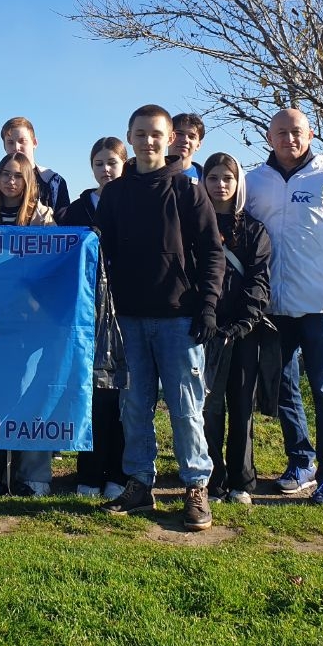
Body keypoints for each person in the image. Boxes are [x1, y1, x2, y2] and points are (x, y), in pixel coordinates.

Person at [95, 104, 224, 531]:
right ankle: (139, 483)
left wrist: (208, 306)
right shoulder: (114, 195)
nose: (148, 141)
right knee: (134, 407)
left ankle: (195, 486)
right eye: (140, 133)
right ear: (129, 137)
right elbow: (101, 256)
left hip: (179, 320)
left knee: (187, 409)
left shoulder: (187, 190)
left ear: (170, 139)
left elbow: (212, 253)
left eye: (156, 134)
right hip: (128, 321)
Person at [245, 108, 323, 507]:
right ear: (269, 136)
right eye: (281, 132)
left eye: (296, 132)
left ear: (310, 135)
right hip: (272, 307)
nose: (289, 139)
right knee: (282, 387)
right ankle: (301, 461)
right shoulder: (254, 182)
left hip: (321, 305)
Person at [0, 150, 57, 496]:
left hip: (31, 322)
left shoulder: (43, 218)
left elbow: (52, 265)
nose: (10, 181)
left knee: (29, 392)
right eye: (5, 174)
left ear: (29, 181)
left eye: (18, 175)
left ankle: (34, 474)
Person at [56, 136, 129, 501]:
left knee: (122, 396)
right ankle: (88, 470)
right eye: (99, 163)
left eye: (112, 163)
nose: (106, 170)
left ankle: (118, 471)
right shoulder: (76, 210)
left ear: (124, 163)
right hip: (87, 314)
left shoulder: (136, 202)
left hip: (127, 310)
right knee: (90, 394)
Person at [201, 152, 271, 505]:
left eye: (227, 178)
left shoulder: (255, 230)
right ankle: (212, 479)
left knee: (241, 405)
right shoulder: (193, 225)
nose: (220, 184)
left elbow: (259, 280)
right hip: (205, 329)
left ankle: (242, 480)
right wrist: (205, 316)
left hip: (244, 331)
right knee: (208, 408)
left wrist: (245, 321)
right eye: (213, 178)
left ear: (238, 182)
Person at [0, 116, 71, 215]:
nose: (16, 147)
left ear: (34, 143)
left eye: (22, 141)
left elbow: (63, 226)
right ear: (4, 146)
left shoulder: (53, 182)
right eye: (10, 142)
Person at [166, 112, 205, 182]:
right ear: (168, 137)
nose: (185, 140)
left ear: (198, 145)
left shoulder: (206, 178)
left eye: (191, 137)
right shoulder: (152, 172)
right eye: (179, 134)